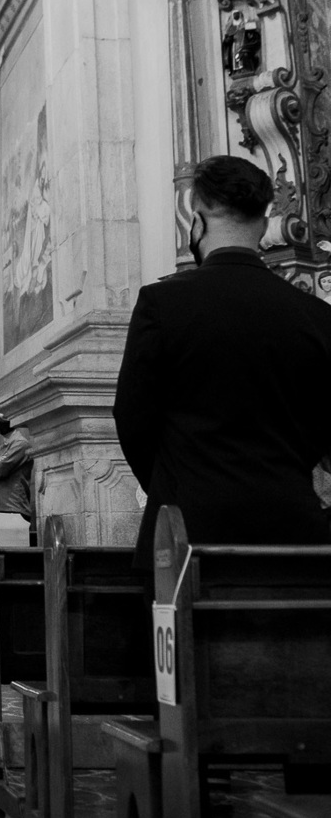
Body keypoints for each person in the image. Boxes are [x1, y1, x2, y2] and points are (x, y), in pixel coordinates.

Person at [115, 154, 331, 567]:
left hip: (185, 540)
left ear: (196, 222)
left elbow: (132, 418)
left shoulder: (162, 304)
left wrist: (173, 490)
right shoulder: (317, 316)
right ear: (264, 224)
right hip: (294, 541)